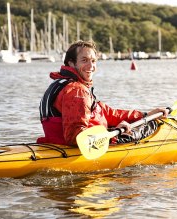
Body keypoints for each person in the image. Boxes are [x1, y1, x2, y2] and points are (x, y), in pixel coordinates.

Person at [37, 40, 168, 146]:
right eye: (84, 60)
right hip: (87, 145)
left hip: (60, 142)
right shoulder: (77, 91)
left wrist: (145, 114)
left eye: (93, 61)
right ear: (71, 63)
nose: (90, 66)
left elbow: (107, 113)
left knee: (144, 120)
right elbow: (75, 137)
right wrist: (109, 133)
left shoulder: (65, 84)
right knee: (150, 125)